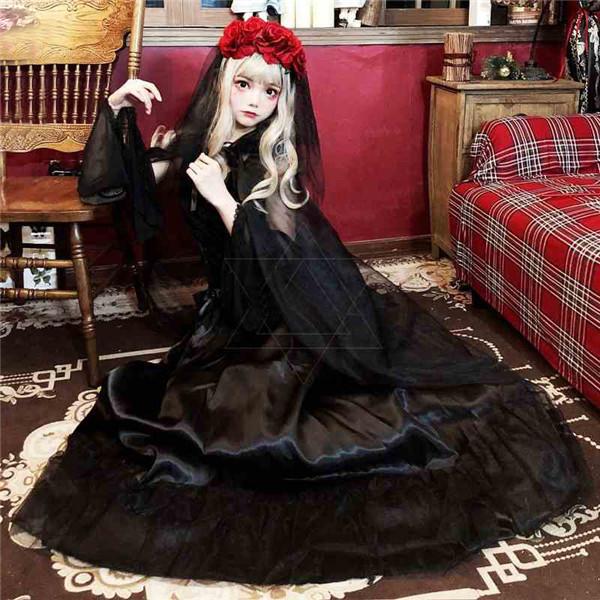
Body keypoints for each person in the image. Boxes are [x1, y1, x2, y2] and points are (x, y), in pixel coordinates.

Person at [12, 18, 590, 585]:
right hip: (228, 310)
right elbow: (108, 190)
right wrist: (115, 109)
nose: (254, 101)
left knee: (260, 432)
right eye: (244, 84)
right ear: (222, 82)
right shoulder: (198, 147)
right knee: (161, 411)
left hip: (277, 321)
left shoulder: (272, 165)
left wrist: (221, 202)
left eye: (270, 91)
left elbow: (279, 273)